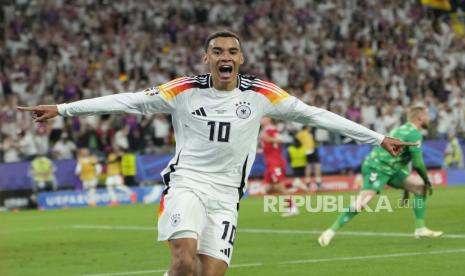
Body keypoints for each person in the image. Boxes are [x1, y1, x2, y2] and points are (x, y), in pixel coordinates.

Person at [18, 31, 414, 276]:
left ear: (240, 59)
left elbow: (314, 115)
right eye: (217, 51)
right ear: (207, 58)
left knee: (209, 274)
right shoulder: (183, 90)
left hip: (228, 195)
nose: (225, 56)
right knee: (183, 261)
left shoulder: (261, 93)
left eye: (232, 51)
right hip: (187, 183)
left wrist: (377, 137)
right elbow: (128, 101)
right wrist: (65, 109)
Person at [318, 105, 443, 247]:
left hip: (391, 168)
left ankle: (420, 229)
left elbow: (401, 159)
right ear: (419, 118)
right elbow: (418, 163)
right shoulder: (414, 134)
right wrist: (427, 180)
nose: (429, 118)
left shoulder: (401, 129)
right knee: (362, 202)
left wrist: (407, 188)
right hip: (378, 167)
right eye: (427, 116)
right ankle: (330, 231)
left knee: (420, 189)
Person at [260, 118, 298, 217]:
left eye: (263, 117)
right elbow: (268, 147)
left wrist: (269, 139)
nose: (261, 119)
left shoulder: (271, 129)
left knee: (280, 187)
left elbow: (280, 139)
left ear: (268, 119)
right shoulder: (264, 131)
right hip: (269, 163)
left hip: (275, 162)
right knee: (267, 189)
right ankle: (293, 184)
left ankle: (293, 208)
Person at [296, 125, 322, 190]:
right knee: (317, 164)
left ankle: (308, 181)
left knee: (308, 165)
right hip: (312, 150)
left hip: (305, 151)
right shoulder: (308, 133)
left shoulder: (299, 134)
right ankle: (318, 181)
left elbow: (297, 141)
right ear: (306, 128)